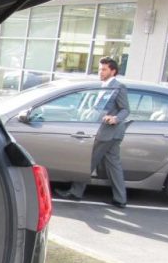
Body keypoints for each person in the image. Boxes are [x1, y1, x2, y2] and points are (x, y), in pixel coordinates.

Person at [54, 57, 130, 208]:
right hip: (109, 134)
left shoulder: (118, 86)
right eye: (100, 69)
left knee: (87, 161)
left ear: (113, 71)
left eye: (104, 69)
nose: (100, 72)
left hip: (107, 132)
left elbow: (126, 109)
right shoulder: (104, 85)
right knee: (113, 165)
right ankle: (120, 199)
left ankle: (75, 192)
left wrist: (115, 118)